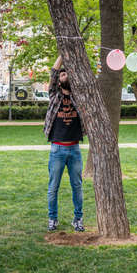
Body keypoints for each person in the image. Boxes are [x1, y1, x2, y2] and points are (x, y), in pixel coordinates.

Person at [44, 55, 85, 232]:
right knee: (53, 187)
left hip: (75, 149)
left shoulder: (79, 97)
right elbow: (53, 73)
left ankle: (78, 219)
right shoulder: (54, 96)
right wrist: (62, 54)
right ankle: (52, 219)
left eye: (67, 74)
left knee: (77, 187)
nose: (65, 75)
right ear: (59, 82)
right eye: (62, 75)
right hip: (57, 149)